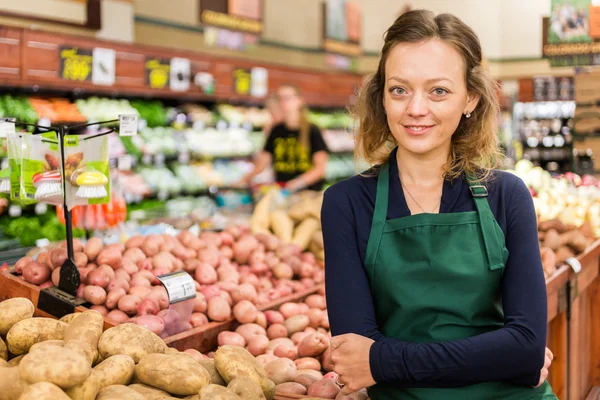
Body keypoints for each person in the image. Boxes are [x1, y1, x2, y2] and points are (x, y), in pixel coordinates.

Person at [322, 10, 556, 400]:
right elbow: (353, 357)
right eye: (399, 89)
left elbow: (527, 347)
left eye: (438, 91)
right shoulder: (345, 203)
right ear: (381, 96)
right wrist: (501, 358)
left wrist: (382, 361)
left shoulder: (507, 195)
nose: (416, 108)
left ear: (471, 99)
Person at [239, 85, 329, 192]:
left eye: (288, 98)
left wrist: (295, 184)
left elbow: (320, 169)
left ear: (299, 101)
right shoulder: (276, 130)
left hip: (309, 195)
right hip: (283, 194)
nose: (283, 102)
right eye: (279, 98)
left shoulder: (312, 130)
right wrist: (242, 181)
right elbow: (262, 164)